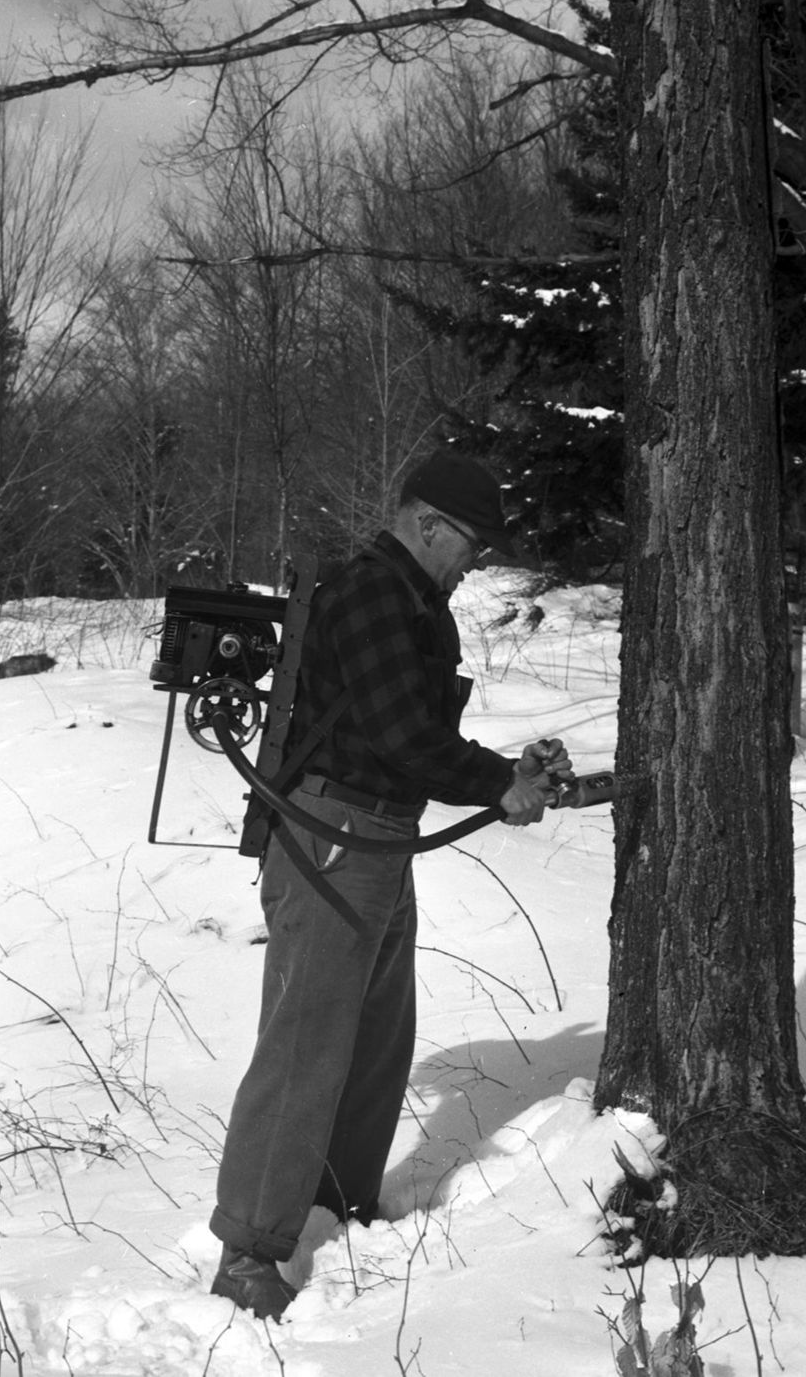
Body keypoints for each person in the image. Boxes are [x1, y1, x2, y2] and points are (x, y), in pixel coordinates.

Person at [208, 450, 575, 1319]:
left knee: (376, 1034)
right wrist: (495, 785)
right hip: (334, 834)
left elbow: (405, 736)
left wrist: (509, 769)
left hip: (376, 836)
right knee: (306, 1043)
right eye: (470, 545)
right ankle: (249, 1249)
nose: (472, 563)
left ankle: (338, 1202)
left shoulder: (412, 602)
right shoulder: (375, 593)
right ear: (425, 524)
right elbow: (403, 732)